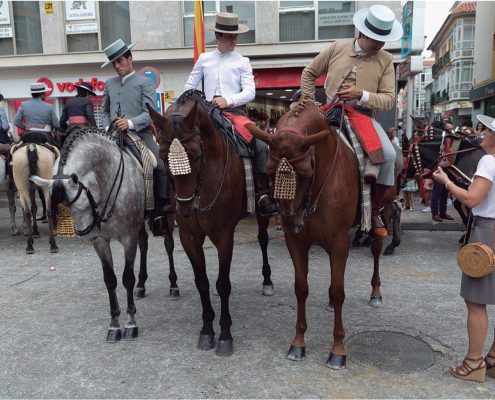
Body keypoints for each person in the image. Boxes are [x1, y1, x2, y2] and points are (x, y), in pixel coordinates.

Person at [300, 4, 402, 238]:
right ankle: (291, 204)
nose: (379, 44)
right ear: (363, 33)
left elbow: (388, 100)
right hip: (327, 111)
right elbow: (309, 73)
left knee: (388, 155)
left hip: (362, 115)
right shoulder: (338, 47)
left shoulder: (386, 60)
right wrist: (309, 103)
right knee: (292, 145)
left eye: (383, 40)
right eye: (375, 39)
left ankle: (375, 209)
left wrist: (361, 94)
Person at [183, 12, 277, 216]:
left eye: (235, 36)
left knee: (260, 145)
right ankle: (182, 194)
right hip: (206, 113)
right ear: (218, 36)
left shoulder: (243, 61)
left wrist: (228, 100)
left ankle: (262, 193)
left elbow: (250, 92)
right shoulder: (204, 59)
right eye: (229, 36)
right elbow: (189, 87)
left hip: (233, 112)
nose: (234, 39)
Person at [433, 113, 495, 383]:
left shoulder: (489, 160)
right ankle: (492, 358)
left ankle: (473, 362)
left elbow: (472, 198)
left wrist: (446, 182)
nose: (483, 134)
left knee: (476, 301)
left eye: (487, 131)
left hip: (487, 232)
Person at [100, 38, 170, 235]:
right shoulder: (109, 83)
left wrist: (129, 123)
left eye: (120, 61)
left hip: (141, 133)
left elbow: (150, 113)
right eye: (114, 63)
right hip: (113, 135)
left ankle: (159, 212)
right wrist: (107, 127)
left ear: (130, 59)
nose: (117, 66)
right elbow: (104, 111)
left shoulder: (144, 83)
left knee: (161, 165)